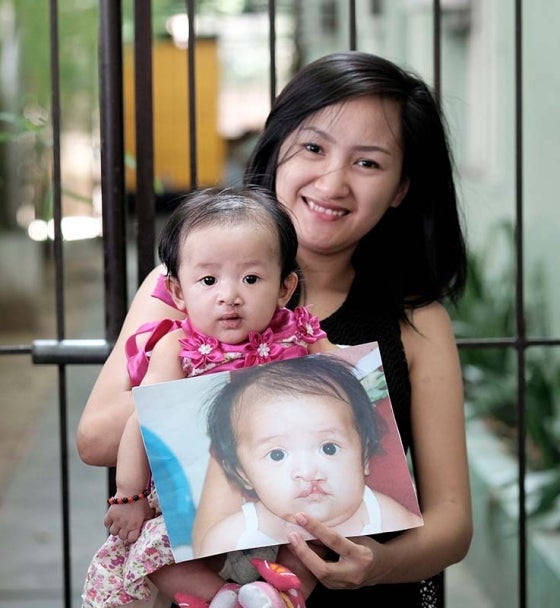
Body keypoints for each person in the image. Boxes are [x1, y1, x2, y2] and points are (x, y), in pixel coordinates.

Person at [78, 50, 472, 607]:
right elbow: (96, 440)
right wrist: (233, 372)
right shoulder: (187, 287)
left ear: (402, 187)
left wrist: (378, 566)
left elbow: (453, 523)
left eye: (368, 163)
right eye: (313, 147)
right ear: (278, 149)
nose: (332, 182)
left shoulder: (417, 321)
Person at [81, 187, 330, 608]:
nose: (228, 295)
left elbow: (348, 385)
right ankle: (223, 597)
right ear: (178, 293)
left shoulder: (301, 334)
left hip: (286, 487)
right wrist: (129, 496)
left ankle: (282, 596)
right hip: (199, 498)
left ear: (285, 287)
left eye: (251, 279)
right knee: (152, 556)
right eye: (209, 280)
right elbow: (143, 419)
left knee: (321, 538)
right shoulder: (176, 348)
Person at [198, 354, 423, 558]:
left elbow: (419, 553)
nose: (308, 472)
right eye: (277, 454)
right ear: (243, 473)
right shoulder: (233, 534)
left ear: (364, 456)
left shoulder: (385, 514)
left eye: (329, 448)